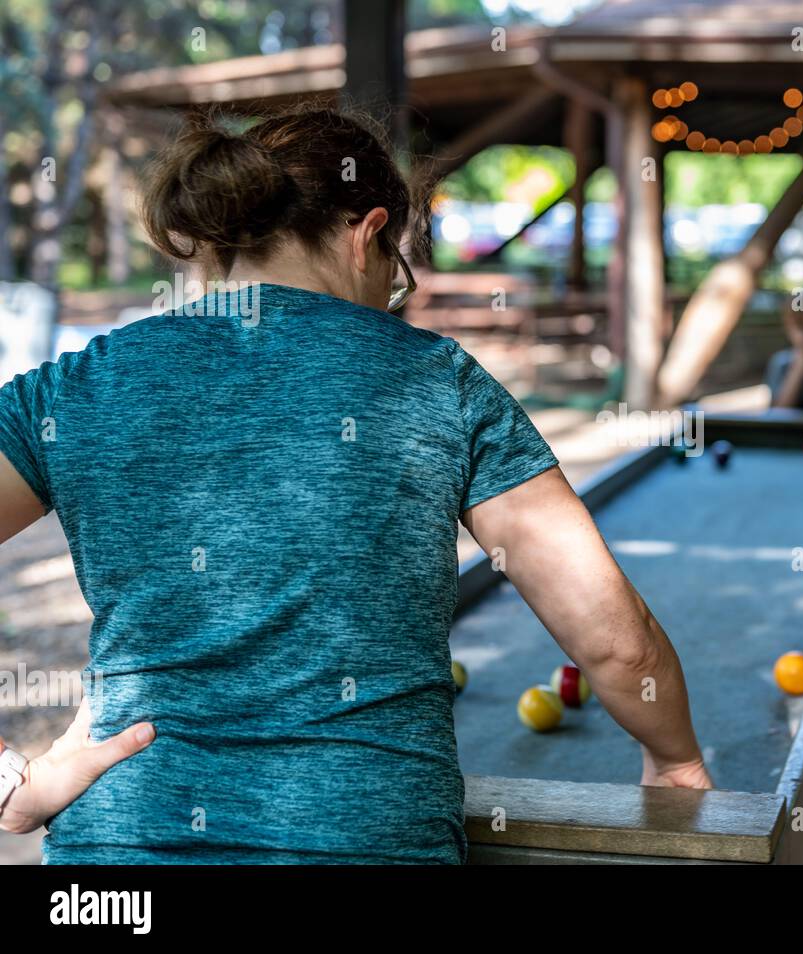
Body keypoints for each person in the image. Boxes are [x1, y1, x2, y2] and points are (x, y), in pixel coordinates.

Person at [0, 107, 711, 864]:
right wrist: (676, 761)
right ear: (367, 233)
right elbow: (613, 639)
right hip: (369, 843)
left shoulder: (77, 388)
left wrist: (13, 781)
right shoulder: (442, 384)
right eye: (397, 273)